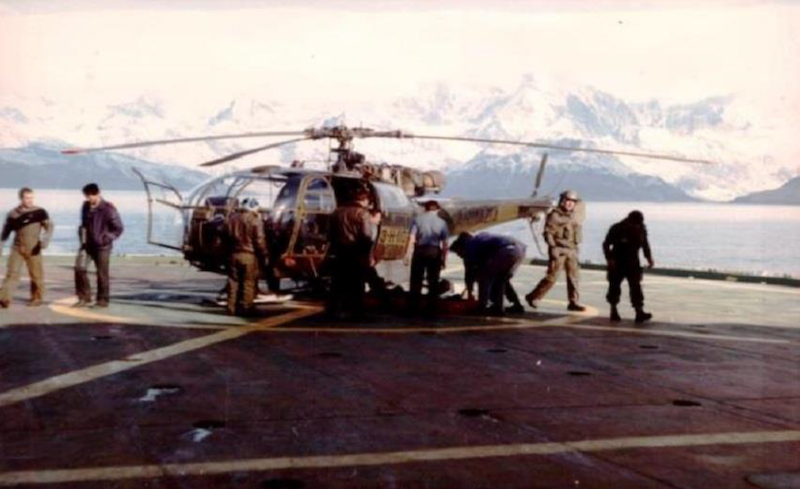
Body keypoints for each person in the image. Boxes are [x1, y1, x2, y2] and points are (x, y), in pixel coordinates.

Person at [525, 190, 586, 312]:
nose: (570, 204)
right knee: (552, 277)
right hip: (559, 249)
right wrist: (553, 248)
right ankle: (533, 297)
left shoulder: (573, 216)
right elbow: (548, 234)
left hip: (571, 250)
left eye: (572, 202)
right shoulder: (555, 216)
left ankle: (573, 302)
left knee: (574, 277)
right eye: (567, 201)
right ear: (562, 201)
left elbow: (581, 209)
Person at [0, 187, 53, 308]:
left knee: (36, 275)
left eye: (31, 198)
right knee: (12, 273)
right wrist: (1, 245)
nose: (30, 200)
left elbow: (49, 227)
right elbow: (5, 233)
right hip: (17, 248)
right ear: (21, 198)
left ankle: (37, 298)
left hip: (34, 248)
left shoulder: (40, 212)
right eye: (27, 198)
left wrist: (45, 240)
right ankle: (4, 298)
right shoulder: (13, 214)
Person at [450, 232, 527, 315]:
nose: (459, 256)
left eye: (458, 253)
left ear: (461, 247)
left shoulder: (470, 246)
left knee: (484, 278)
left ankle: (481, 307)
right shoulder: (480, 241)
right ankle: (510, 306)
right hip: (520, 250)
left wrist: (470, 293)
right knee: (501, 280)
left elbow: (469, 273)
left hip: (505, 250)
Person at [326, 188, 374, 320]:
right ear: (364, 200)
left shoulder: (337, 212)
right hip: (356, 251)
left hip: (340, 251)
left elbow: (329, 234)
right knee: (357, 283)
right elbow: (366, 236)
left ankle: (332, 310)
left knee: (337, 282)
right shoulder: (362, 213)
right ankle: (357, 312)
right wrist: (368, 255)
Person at [74, 183, 124, 308]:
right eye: (86, 196)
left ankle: (102, 300)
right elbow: (84, 224)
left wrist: (105, 239)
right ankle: (84, 298)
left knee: (102, 273)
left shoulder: (109, 209)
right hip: (87, 245)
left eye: (90, 196)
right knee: (79, 268)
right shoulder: (85, 206)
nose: (88, 198)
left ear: (98, 193)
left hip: (102, 247)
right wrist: (82, 238)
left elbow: (118, 228)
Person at [603, 210, 654, 323]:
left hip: (633, 262)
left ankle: (639, 312)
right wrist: (609, 259)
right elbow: (606, 244)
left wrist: (649, 258)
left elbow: (645, 244)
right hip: (617, 261)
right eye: (635, 223)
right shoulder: (617, 228)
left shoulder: (641, 228)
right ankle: (613, 310)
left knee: (636, 287)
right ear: (629, 220)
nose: (636, 225)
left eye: (638, 223)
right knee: (614, 286)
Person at [224, 197, 268, 316]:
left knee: (233, 281)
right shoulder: (256, 221)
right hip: (249, 256)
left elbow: (224, 238)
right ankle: (246, 308)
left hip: (233, 255)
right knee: (248, 283)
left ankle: (231, 307)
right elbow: (259, 241)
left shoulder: (231, 219)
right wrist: (264, 255)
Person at [405, 200, 449, 315]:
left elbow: (411, 238)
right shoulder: (442, 223)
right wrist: (444, 259)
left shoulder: (417, 219)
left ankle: (413, 308)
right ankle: (431, 309)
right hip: (434, 252)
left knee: (416, 280)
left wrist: (407, 255)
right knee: (433, 281)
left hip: (419, 251)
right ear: (437, 209)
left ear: (425, 209)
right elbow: (445, 244)